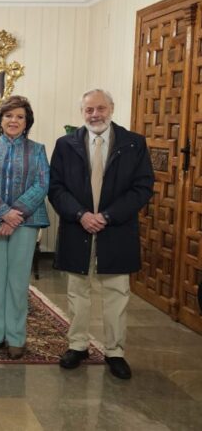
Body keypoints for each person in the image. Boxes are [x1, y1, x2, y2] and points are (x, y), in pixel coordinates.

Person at [49, 88, 153, 379]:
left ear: (111, 109)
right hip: (77, 227)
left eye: (100, 108)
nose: (95, 114)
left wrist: (107, 216)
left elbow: (143, 187)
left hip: (116, 229)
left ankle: (115, 351)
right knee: (77, 291)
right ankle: (78, 345)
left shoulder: (133, 143)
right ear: (82, 112)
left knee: (117, 292)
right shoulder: (66, 144)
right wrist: (81, 215)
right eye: (89, 110)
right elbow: (55, 187)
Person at [0, 95, 50, 360]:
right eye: (8, 116)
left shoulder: (38, 150)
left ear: (27, 122)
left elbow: (42, 184)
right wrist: (3, 213)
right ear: (0, 120)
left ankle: (16, 337)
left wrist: (15, 215)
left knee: (17, 280)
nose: (13, 120)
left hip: (27, 222)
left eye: (19, 117)